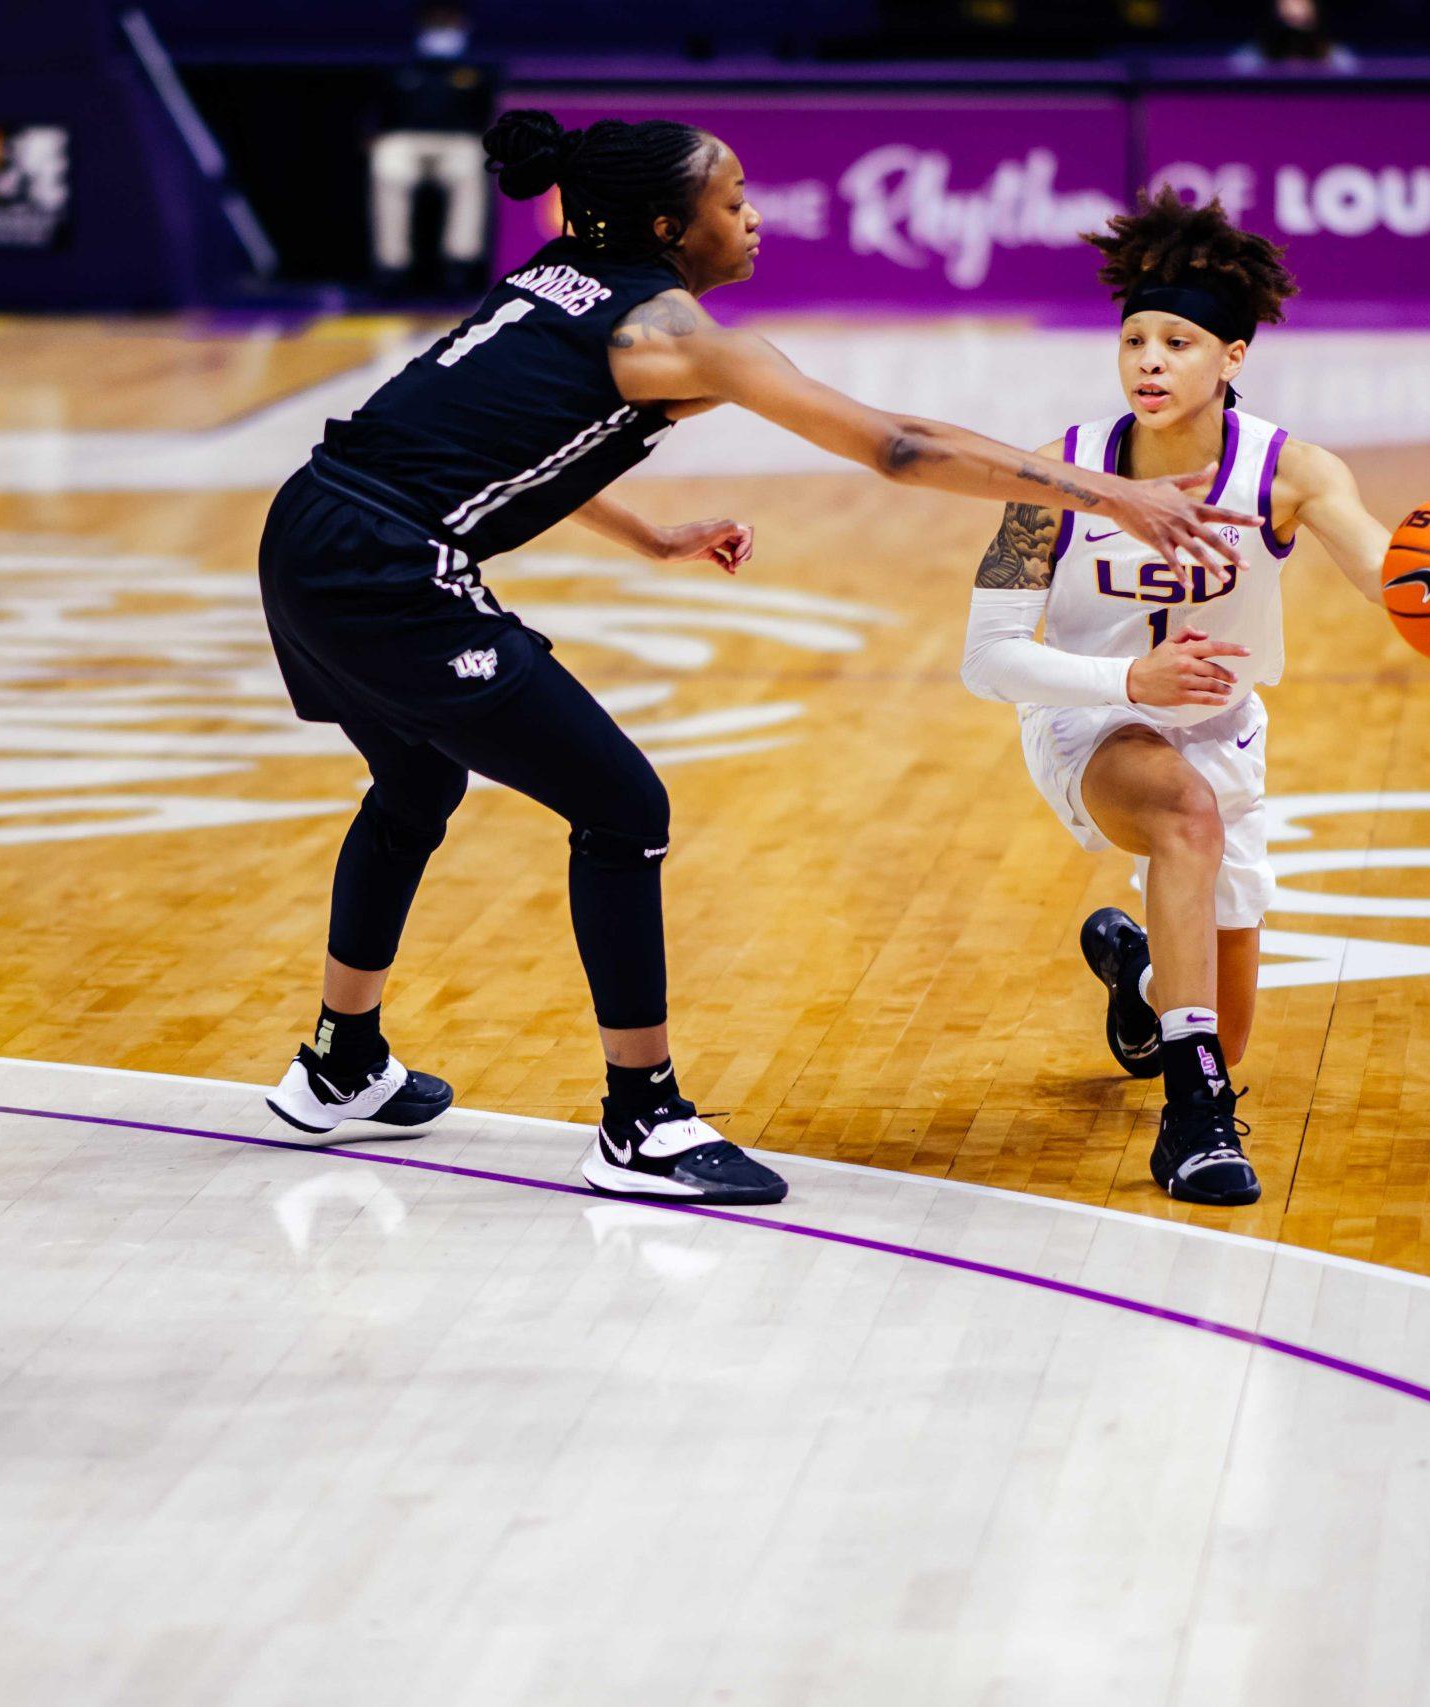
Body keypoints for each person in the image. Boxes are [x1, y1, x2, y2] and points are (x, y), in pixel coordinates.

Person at [258, 112, 1254, 1206]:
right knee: (623, 807)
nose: (754, 216)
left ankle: (340, 1063)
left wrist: (653, 536)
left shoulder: (556, 278)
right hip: (388, 574)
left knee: (414, 781)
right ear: (663, 226)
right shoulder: (678, 337)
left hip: (309, 531)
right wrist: (1112, 492)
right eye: (732, 201)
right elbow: (899, 447)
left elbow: (493, 442)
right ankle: (641, 1120)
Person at [958, 189, 1399, 1207]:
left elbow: (1384, 572)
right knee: (1181, 817)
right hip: (1087, 716)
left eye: (1178, 343)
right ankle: (1195, 1124)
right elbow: (987, 659)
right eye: (1134, 341)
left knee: (1215, 1015)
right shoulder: (1055, 474)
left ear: (1232, 357)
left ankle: (1140, 982)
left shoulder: (1292, 472)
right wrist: (1127, 681)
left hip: (1224, 733)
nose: (1149, 362)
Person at [369, 4, 498, 297]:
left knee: (471, 166)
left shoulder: (479, 71)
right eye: (435, 22)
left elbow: (490, 117)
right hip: (405, 140)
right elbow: (375, 118)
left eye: (448, 22)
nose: (442, 30)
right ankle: (392, 266)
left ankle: (460, 262)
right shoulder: (399, 69)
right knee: (387, 165)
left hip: (458, 141)